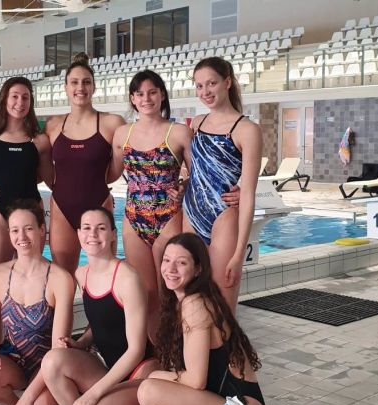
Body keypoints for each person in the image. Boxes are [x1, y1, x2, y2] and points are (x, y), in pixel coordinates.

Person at [128, 233, 266, 405]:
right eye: (166, 260)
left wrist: (154, 375)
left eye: (181, 263)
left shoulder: (195, 304)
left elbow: (195, 381)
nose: (171, 269)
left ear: (198, 269)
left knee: (148, 390)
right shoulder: (182, 302)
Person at [41, 207, 157, 405]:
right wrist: (81, 343)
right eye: (87, 228)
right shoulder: (81, 274)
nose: (92, 234)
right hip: (108, 368)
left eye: (101, 228)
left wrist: (91, 395)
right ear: (78, 234)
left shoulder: (127, 278)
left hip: (139, 372)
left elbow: (136, 350)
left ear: (113, 234)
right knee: (52, 361)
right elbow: (103, 320)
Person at [0, 200, 74, 405]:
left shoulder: (60, 279)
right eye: (15, 230)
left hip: (48, 364)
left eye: (29, 228)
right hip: (14, 359)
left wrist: (27, 400)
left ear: (42, 230)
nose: (22, 237)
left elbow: (58, 349)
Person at [108, 70, 190, 342]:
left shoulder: (179, 132)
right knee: (146, 293)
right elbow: (110, 174)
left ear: (162, 94)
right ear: (132, 98)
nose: (146, 98)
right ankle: (156, 350)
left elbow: (197, 175)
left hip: (168, 217)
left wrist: (183, 187)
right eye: (140, 94)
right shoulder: (122, 134)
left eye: (152, 92)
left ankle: (178, 347)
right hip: (133, 219)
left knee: (171, 291)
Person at [182, 57, 262, 313]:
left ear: (227, 82)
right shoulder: (197, 123)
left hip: (223, 218)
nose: (205, 91)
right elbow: (195, 171)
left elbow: (248, 194)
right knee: (189, 300)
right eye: (199, 86)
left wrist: (239, 254)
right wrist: (182, 184)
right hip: (191, 214)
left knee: (222, 306)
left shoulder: (246, 129)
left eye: (211, 83)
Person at [0, 76, 52, 324]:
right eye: (14, 96)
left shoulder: (39, 140)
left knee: (32, 282)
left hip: (31, 214)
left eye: (25, 97)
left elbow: (48, 178)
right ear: (4, 99)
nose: (20, 102)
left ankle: (29, 336)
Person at [45, 53, 125, 277]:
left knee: (106, 276)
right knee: (63, 278)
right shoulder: (53, 125)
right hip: (62, 208)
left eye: (86, 82)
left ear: (94, 87)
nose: (80, 88)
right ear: (65, 87)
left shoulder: (112, 123)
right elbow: (44, 168)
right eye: (74, 82)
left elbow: (115, 170)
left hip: (98, 204)